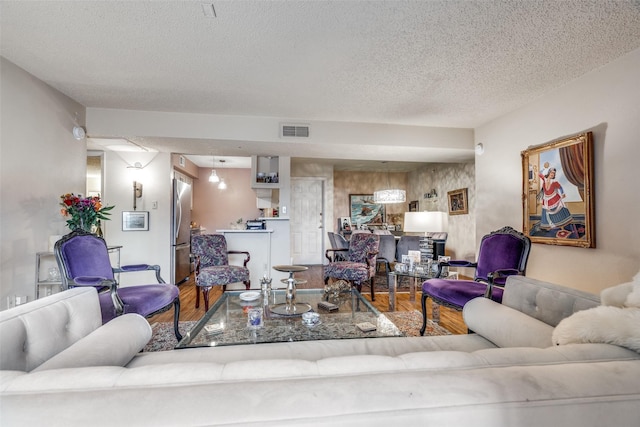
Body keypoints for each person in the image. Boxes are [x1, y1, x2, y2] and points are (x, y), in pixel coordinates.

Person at [538, 165, 573, 230]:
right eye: (551, 172)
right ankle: (547, 226)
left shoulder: (554, 182)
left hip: (554, 199)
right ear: (548, 173)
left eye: (554, 173)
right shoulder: (544, 179)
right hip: (546, 200)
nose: (552, 174)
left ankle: (562, 225)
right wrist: (545, 167)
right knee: (545, 212)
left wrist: (562, 193)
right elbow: (539, 174)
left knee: (559, 213)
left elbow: (560, 188)